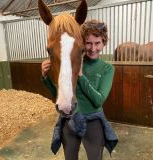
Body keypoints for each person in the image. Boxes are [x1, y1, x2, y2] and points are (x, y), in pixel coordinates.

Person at [41, 19, 118, 160]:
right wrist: (46, 78)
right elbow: (58, 97)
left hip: (93, 122)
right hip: (71, 120)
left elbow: (98, 100)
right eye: (88, 43)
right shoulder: (72, 63)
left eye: (97, 43)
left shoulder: (107, 69)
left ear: (103, 43)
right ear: (82, 43)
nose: (93, 48)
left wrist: (81, 76)